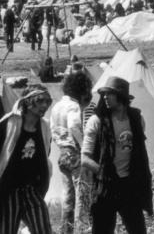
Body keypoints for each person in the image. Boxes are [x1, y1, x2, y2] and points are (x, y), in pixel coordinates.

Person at [81, 77, 152, 234]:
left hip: (129, 185)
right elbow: (84, 159)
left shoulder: (136, 120)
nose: (105, 97)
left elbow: (139, 151)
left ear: (121, 96)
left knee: (138, 230)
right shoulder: (97, 121)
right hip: (105, 187)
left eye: (109, 94)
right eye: (103, 94)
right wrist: (104, 173)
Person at [0, 85, 54, 234]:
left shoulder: (44, 128)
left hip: (31, 191)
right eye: (40, 101)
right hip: (8, 191)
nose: (45, 105)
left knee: (43, 230)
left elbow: (44, 161)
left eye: (48, 101)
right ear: (27, 102)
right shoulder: (6, 125)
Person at [51, 72, 93, 234]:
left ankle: (66, 229)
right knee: (82, 195)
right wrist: (84, 148)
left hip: (62, 153)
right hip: (75, 153)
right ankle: (82, 229)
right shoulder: (73, 106)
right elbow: (74, 125)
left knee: (67, 196)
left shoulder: (56, 106)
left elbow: (53, 130)